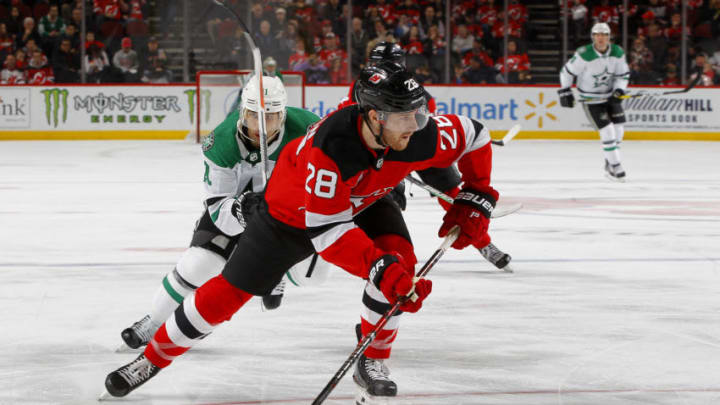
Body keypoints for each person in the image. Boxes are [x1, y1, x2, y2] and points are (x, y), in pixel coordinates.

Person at [104, 61, 499, 401]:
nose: (416, 127)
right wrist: (379, 269)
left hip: (365, 200)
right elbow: (327, 234)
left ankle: (374, 360)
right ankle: (151, 358)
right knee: (229, 292)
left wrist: (476, 195)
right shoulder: (331, 150)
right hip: (290, 216)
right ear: (375, 116)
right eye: (405, 118)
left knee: (401, 264)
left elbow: (476, 134)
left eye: (419, 114)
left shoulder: (419, 131)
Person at [116, 76, 328, 351]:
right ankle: (154, 321)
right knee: (199, 263)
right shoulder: (221, 143)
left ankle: (277, 270)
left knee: (314, 273)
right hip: (236, 206)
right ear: (243, 111)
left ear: (283, 114)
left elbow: (341, 159)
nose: (261, 126)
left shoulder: (309, 128)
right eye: (253, 115)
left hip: (288, 210)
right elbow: (218, 210)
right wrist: (242, 211)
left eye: (271, 117)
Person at [339, 41, 512, 272]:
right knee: (376, 207)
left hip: (414, 148)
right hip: (378, 156)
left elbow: (426, 130)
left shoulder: (414, 90)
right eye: (380, 65)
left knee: (455, 199)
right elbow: (346, 121)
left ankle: (484, 243)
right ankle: (381, 261)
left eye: (390, 64)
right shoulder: (360, 89)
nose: (385, 70)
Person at [558, 22, 630, 182]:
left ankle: (609, 162)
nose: (601, 38)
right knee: (608, 131)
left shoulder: (617, 52)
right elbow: (567, 72)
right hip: (591, 100)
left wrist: (619, 90)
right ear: (593, 37)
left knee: (619, 131)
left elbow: (623, 75)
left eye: (604, 35)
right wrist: (565, 90)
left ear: (609, 37)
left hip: (610, 96)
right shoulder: (584, 54)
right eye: (597, 34)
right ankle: (616, 166)